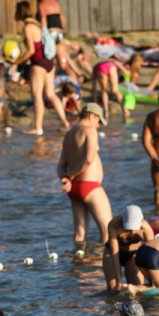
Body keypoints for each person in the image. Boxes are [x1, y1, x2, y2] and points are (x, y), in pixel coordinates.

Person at [57, 103, 113, 248]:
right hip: (90, 186)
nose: (99, 125)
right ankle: (103, 266)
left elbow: (61, 166)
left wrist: (66, 178)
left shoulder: (68, 134)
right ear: (91, 116)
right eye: (98, 121)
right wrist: (73, 175)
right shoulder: (90, 131)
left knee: (79, 234)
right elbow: (88, 159)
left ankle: (79, 267)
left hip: (74, 189)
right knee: (108, 230)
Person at [13, 1, 63, 135]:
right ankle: (65, 122)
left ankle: (38, 127)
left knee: (37, 95)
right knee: (51, 94)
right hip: (49, 61)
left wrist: (17, 62)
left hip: (38, 63)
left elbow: (30, 50)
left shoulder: (28, 27)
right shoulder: (38, 24)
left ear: (20, 12)